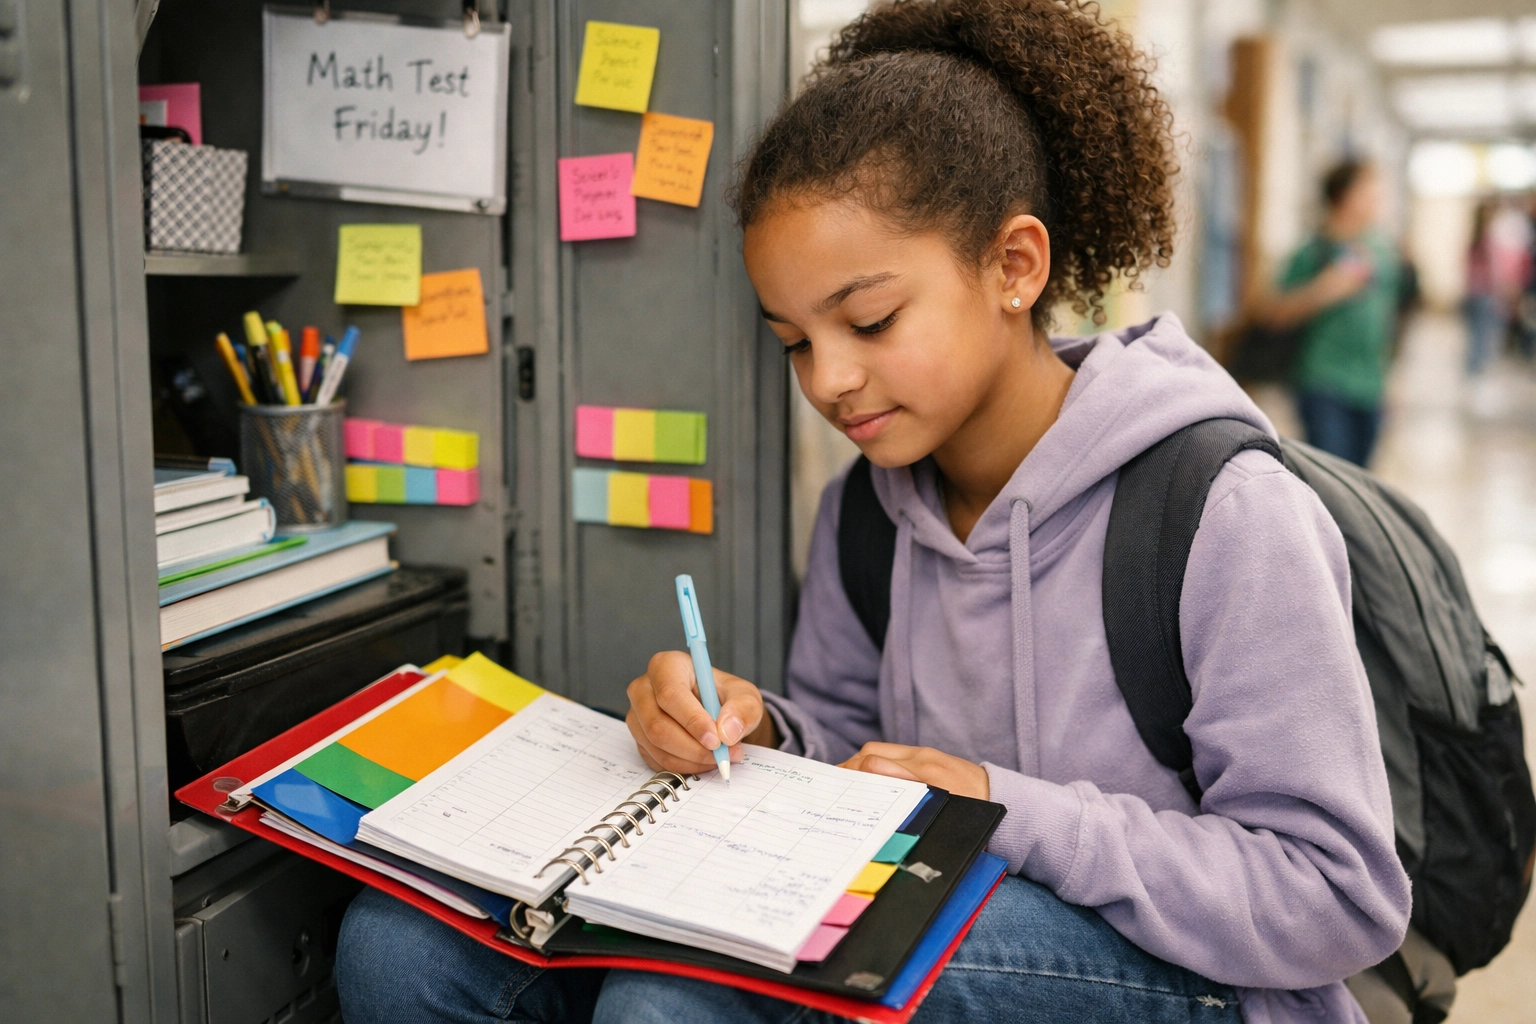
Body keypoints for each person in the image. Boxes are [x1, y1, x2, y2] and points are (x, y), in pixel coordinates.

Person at [335, 2, 1410, 1022]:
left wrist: (1000, 805)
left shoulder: (1220, 509)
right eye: (796, 341)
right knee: (400, 940)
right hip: (940, 935)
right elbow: (850, 762)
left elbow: (1336, 892)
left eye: (871, 319)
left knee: (682, 1000)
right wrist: (756, 732)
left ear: (1014, 266)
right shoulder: (866, 506)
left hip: (1198, 984)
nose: (830, 380)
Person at [1263, 161, 1401, 468]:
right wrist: (1327, 288)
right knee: (1332, 477)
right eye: (1367, 192)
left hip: (1370, 384)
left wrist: (1391, 380)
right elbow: (1276, 313)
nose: (1376, 200)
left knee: (1361, 481)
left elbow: (1386, 320)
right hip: (1323, 380)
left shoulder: (1380, 250)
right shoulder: (1313, 251)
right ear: (1343, 196)